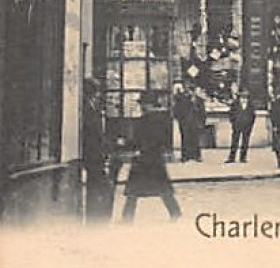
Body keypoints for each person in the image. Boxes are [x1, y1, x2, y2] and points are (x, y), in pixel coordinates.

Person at [121, 92, 181, 223]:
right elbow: (163, 140)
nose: (142, 107)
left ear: (148, 105)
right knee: (162, 188)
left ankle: (127, 217)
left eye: (143, 104)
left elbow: (142, 139)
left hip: (145, 158)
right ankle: (175, 211)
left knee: (134, 189)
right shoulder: (160, 119)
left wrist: (133, 146)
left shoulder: (146, 120)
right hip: (154, 158)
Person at [82, 78, 112, 222]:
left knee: (98, 185)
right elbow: (93, 133)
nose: (99, 94)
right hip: (93, 154)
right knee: (100, 185)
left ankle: (95, 215)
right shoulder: (88, 108)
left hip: (95, 154)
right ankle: (96, 217)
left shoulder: (91, 107)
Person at [174, 80, 204, 162]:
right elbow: (176, 109)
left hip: (195, 122)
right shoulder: (181, 98)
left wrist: (201, 122)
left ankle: (196, 156)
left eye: (191, 89)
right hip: (185, 121)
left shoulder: (199, 99)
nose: (189, 91)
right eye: (186, 87)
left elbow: (202, 111)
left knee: (195, 139)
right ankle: (185, 156)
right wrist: (180, 119)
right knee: (185, 139)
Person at [227, 86, 256, 163]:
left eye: (245, 96)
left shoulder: (250, 105)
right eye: (242, 96)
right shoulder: (235, 103)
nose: (244, 98)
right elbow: (231, 113)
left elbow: (253, 115)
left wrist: (250, 124)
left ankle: (243, 157)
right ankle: (232, 157)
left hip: (247, 126)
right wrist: (233, 122)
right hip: (237, 125)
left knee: (245, 142)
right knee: (234, 142)